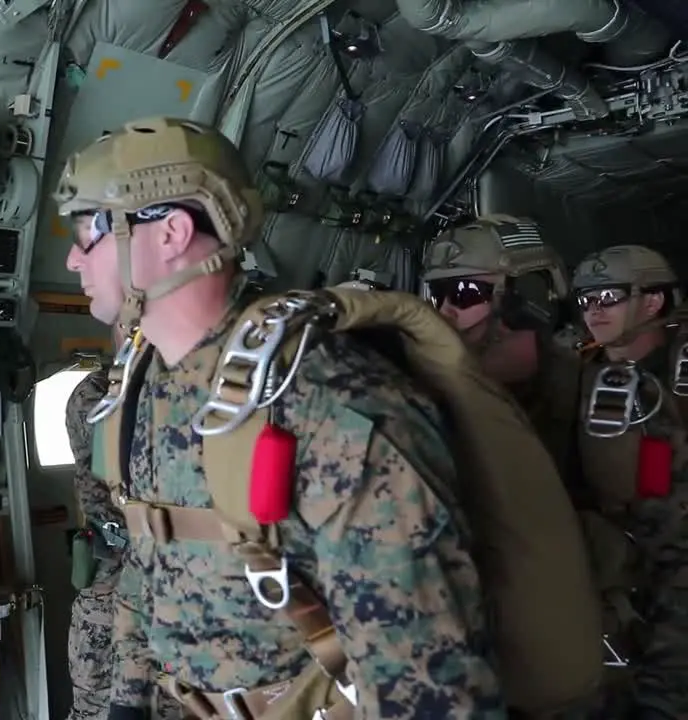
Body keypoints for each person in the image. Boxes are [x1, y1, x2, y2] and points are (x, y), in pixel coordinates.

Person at [54, 117, 504, 719]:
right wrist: (129, 705)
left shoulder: (326, 395)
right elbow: (150, 563)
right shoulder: (145, 385)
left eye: (90, 232)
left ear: (170, 233)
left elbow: (429, 677)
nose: (72, 260)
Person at [569, 245, 688, 718]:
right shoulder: (576, 378)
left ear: (654, 301)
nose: (593, 311)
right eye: (584, 300)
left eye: (608, 296)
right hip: (614, 570)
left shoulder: (673, 381)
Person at [64, 338, 181, 720]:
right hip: (115, 571)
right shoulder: (99, 394)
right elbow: (100, 476)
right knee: (97, 700)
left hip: (168, 581)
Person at [420, 215, 582, 478]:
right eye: (438, 292)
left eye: (466, 291)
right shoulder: (436, 388)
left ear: (526, 296)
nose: (444, 310)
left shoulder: (598, 395)